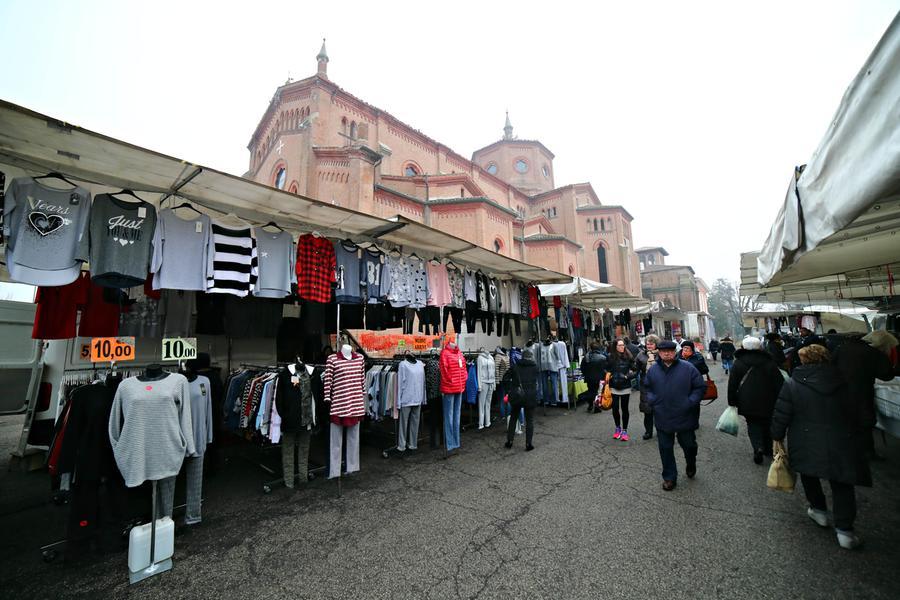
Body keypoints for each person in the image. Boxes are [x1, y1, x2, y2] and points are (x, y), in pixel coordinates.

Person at [771, 344, 872, 550]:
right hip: (842, 438)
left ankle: (818, 511)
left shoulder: (793, 384)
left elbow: (782, 413)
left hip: (805, 438)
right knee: (842, 482)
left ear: (803, 360)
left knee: (810, 474)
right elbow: (863, 414)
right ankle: (845, 531)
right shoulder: (845, 381)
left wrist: (776, 435)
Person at [644, 340, 707, 490]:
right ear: (659, 353)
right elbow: (647, 387)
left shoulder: (688, 368)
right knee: (665, 448)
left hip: (684, 414)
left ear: (674, 352)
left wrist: (690, 402)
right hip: (662, 414)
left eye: (670, 351)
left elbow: (699, 387)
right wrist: (653, 401)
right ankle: (669, 477)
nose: (666, 353)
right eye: (663, 351)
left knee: (689, 445)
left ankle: (691, 462)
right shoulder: (653, 370)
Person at [832, 331, 896, 461]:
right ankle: (867, 453)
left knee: (847, 421)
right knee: (864, 422)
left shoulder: (842, 348)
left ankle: (849, 452)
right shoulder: (873, 353)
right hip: (862, 392)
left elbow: (831, 366)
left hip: (841, 391)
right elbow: (887, 375)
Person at [727, 335, 784, 464]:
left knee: (753, 424)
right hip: (769, 400)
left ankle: (758, 447)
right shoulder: (768, 361)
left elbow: (733, 384)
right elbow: (779, 382)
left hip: (747, 401)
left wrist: (732, 401)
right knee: (767, 423)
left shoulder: (739, 362)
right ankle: (768, 448)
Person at [503, 346, 540, 451]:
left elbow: (505, 378)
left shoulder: (515, 366)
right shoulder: (535, 367)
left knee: (513, 418)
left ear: (522, 356)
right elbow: (537, 381)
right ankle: (528, 444)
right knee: (530, 420)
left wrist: (510, 389)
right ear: (531, 357)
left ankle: (510, 441)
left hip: (517, 395)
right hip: (530, 396)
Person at [608, 339, 637, 441]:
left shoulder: (628, 356)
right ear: (615, 346)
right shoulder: (610, 357)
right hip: (613, 386)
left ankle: (624, 430)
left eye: (623, 345)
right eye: (619, 345)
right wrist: (609, 376)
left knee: (624, 408)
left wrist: (627, 376)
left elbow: (635, 370)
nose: (622, 347)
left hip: (625, 386)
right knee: (615, 408)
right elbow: (605, 369)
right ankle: (617, 428)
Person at [635, 334, 660, 439]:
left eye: (651, 344)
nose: (649, 346)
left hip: (660, 385)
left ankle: (661, 430)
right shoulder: (641, 355)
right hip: (646, 386)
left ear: (656, 344)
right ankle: (648, 432)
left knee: (659, 410)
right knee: (647, 410)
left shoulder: (661, 354)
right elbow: (636, 369)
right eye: (647, 344)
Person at [580, 341, 608, 413]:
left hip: (589, 378)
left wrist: (586, 374)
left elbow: (582, 368)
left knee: (590, 391)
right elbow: (606, 368)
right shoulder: (603, 357)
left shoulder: (586, 357)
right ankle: (596, 407)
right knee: (598, 392)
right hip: (600, 378)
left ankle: (590, 405)